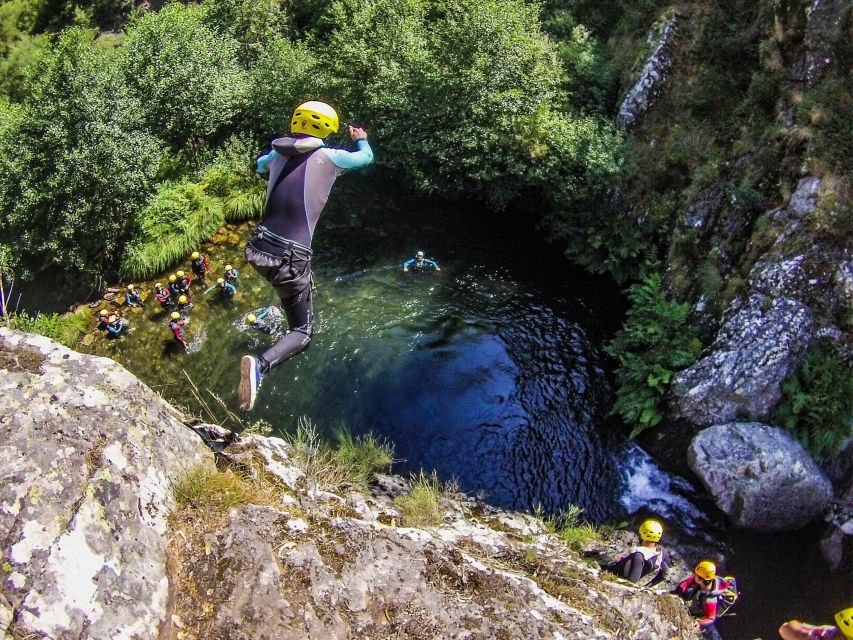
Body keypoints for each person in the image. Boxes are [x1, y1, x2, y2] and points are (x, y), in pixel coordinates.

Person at [238, 100, 374, 411]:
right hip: (290, 256)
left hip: (258, 247)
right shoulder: (330, 157)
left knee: (292, 287)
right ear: (328, 127)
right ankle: (260, 365)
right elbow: (366, 158)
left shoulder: (277, 153)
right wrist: (361, 137)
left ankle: (296, 290)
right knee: (302, 332)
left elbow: (260, 165)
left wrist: (272, 163)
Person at [672, 561, 735, 640]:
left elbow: (710, 618)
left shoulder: (709, 600)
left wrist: (699, 622)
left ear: (702, 580)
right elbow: (687, 582)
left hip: (703, 609)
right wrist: (677, 594)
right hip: (700, 597)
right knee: (690, 591)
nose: (695, 577)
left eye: (697, 576)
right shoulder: (702, 579)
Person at [606, 519, 670, 586]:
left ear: (642, 535)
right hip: (621, 575)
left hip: (612, 573)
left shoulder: (638, 554)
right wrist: (649, 585)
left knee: (599, 555)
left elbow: (632, 582)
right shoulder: (662, 552)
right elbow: (667, 573)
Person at [779, 609, 853, 639]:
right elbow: (785, 628)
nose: (834, 636)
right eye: (837, 633)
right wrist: (803, 634)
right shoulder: (825, 633)